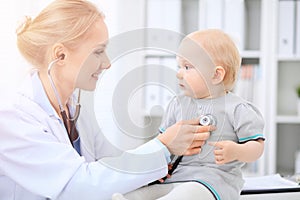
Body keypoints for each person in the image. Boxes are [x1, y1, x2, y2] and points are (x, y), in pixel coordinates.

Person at [0, 1, 212, 200]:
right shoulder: (12, 118)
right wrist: (163, 145)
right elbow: (77, 184)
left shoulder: (73, 107)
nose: (107, 63)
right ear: (61, 55)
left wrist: (164, 162)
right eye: (98, 52)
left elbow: (110, 168)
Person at [119, 29, 265, 200]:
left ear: (216, 75)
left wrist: (237, 151)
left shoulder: (238, 109)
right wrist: (161, 167)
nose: (179, 73)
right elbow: (164, 142)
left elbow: (257, 147)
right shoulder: (178, 104)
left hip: (213, 182)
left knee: (188, 194)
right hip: (177, 177)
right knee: (140, 193)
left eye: (187, 67)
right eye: (179, 66)